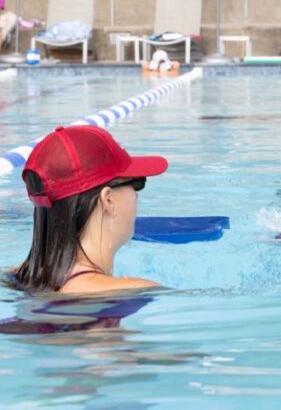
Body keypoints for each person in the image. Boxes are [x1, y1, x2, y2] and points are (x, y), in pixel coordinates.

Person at [8, 124, 168, 295]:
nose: (136, 196)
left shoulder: (15, 278)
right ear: (108, 199)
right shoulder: (135, 292)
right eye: (137, 183)